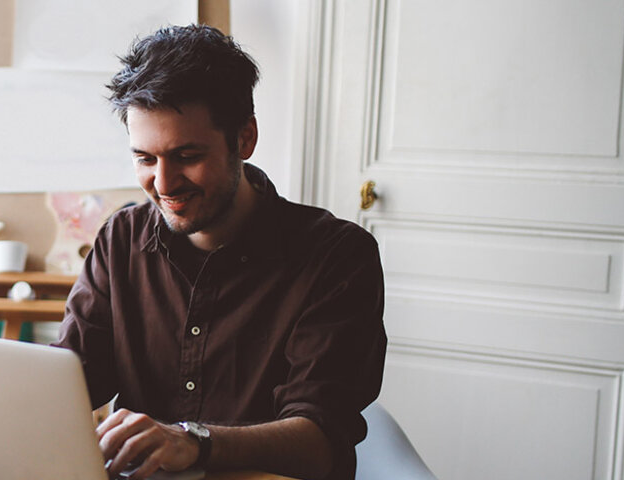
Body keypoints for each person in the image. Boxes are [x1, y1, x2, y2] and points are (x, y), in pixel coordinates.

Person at [54, 24, 386, 480]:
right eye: (146, 159)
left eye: (187, 156)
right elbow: (65, 385)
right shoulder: (120, 240)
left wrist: (194, 443)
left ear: (244, 139)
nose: (164, 185)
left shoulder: (337, 256)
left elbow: (321, 442)